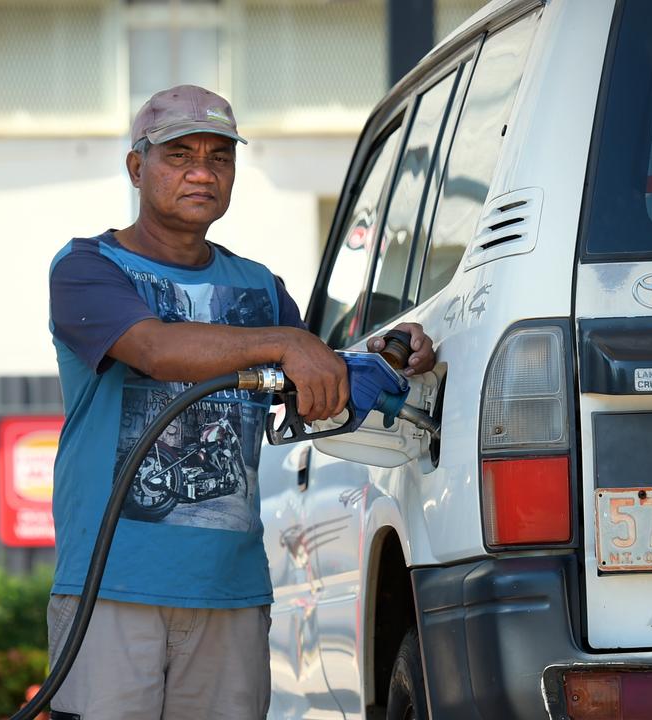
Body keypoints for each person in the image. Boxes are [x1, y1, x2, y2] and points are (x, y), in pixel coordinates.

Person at [46, 84, 436, 720]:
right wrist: (290, 342)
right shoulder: (89, 266)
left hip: (230, 592)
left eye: (220, 157)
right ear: (137, 167)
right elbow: (154, 349)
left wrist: (393, 354)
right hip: (110, 589)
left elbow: (320, 388)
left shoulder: (258, 286)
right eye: (179, 155)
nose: (202, 171)